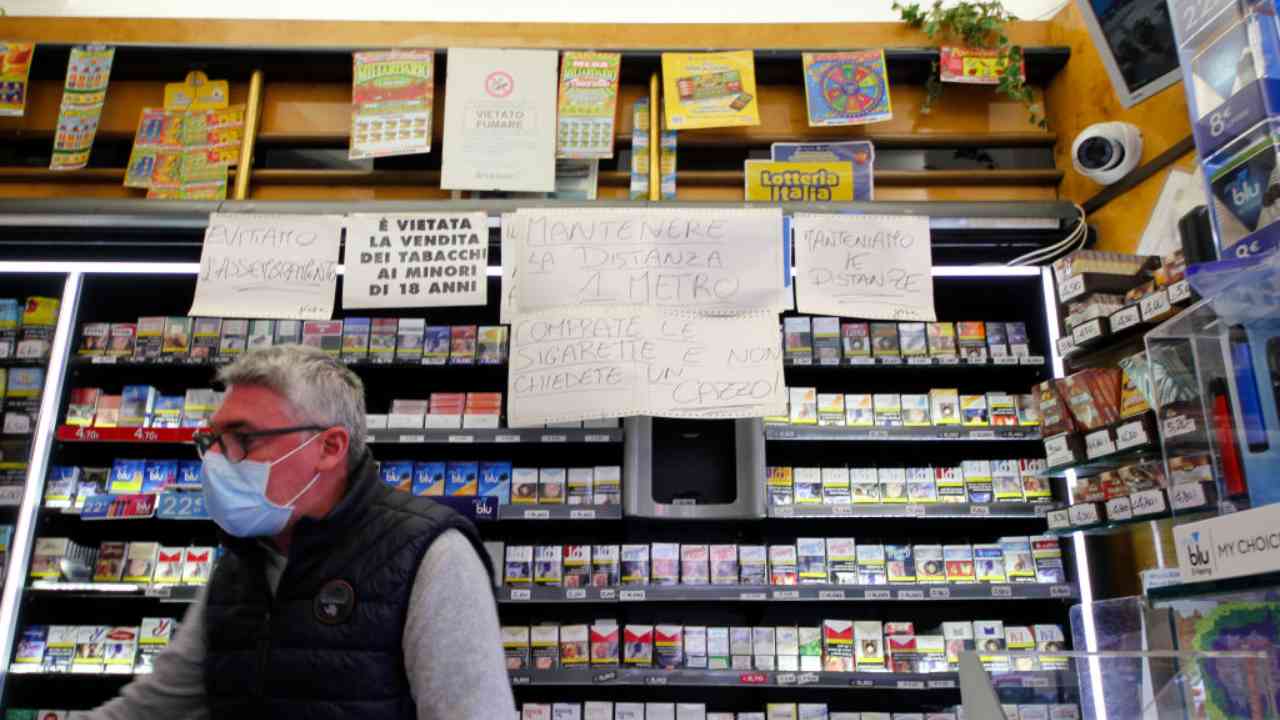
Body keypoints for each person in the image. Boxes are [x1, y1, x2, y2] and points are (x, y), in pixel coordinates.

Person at [84, 344, 515, 719]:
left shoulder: (431, 556)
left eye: (243, 439)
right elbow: (151, 709)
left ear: (329, 448)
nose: (215, 459)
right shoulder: (240, 566)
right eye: (211, 440)